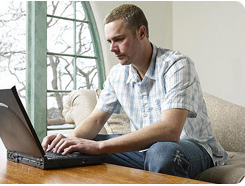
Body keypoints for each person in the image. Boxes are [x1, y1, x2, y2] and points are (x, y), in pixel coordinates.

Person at [42, 4, 227, 178]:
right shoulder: (117, 74)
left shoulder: (176, 65)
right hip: (143, 151)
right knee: (75, 148)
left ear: (141, 32)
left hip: (192, 148)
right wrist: (67, 141)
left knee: (161, 152)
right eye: (109, 41)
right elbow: (96, 119)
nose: (112, 48)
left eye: (119, 39)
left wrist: (100, 147)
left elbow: (171, 130)